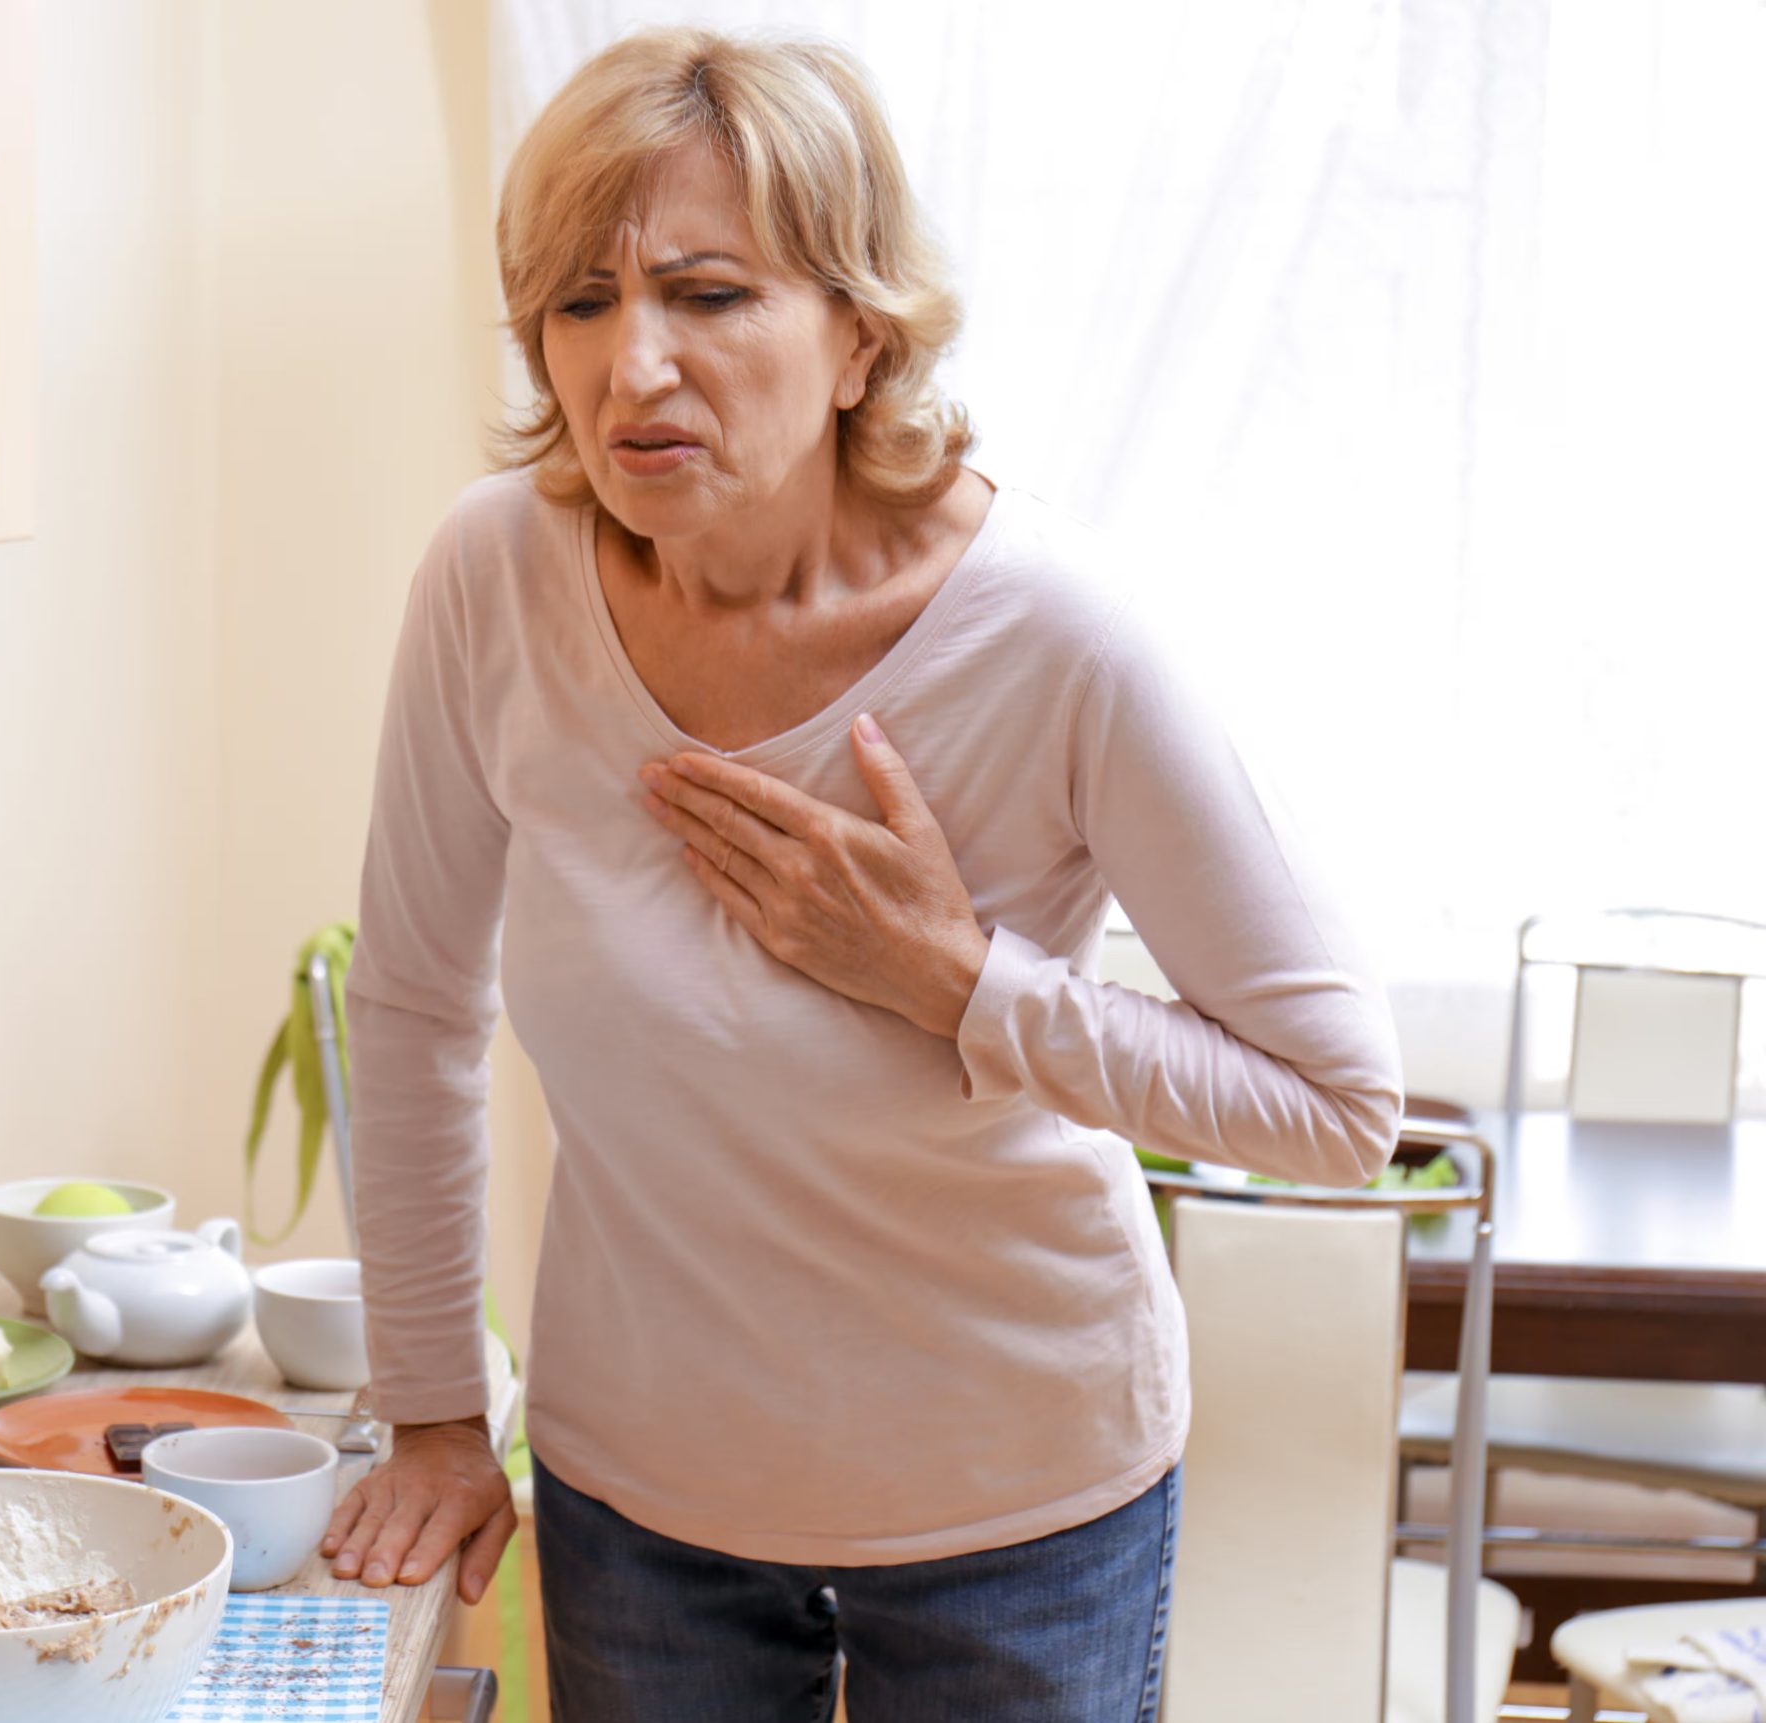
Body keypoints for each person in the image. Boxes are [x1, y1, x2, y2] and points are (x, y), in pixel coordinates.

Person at [321, 26, 1403, 1723]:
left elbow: (1338, 1106)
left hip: (1019, 1507)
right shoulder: (493, 579)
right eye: (581, 305)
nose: (632, 372)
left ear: (860, 336)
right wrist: (437, 1410)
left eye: (708, 294)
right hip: (642, 1506)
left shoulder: (1057, 640)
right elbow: (407, 1006)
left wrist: (959, 982)